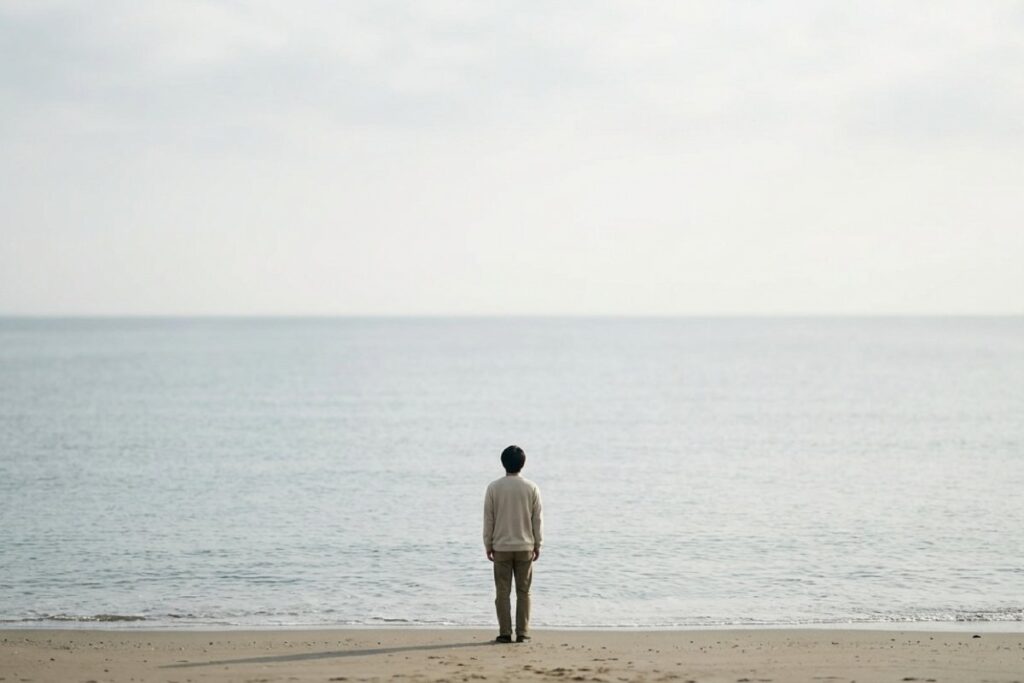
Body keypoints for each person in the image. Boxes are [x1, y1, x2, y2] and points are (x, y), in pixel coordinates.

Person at [483, 444, 543, 644]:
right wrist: (538, 543)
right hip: (525, 546)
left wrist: (488, 543)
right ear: (522, 464)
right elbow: (537, 520)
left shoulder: (494, 488)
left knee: (502, 592)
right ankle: (523, 633)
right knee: (524, 592)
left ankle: (505, 633)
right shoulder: (531, 487)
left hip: (501, 546)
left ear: (503, 463)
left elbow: (489, 519)